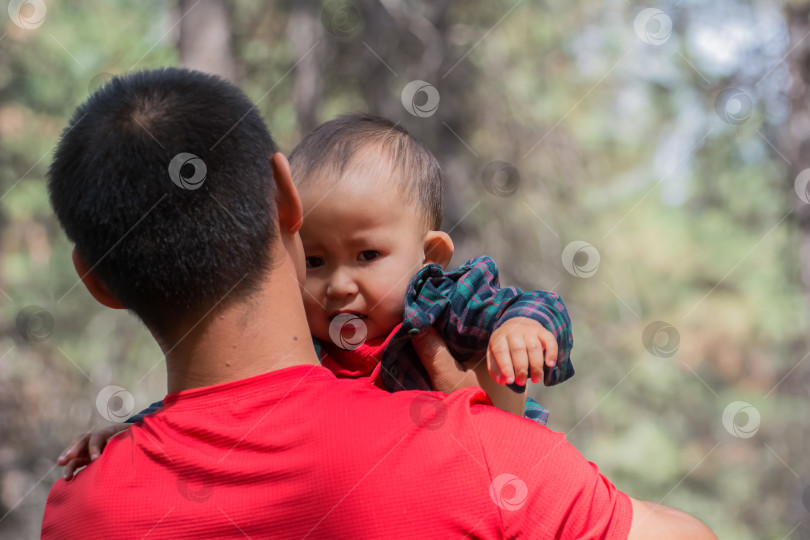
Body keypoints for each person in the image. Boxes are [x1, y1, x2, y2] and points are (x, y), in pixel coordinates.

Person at [41, 67, 717, 538]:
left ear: (94, 280)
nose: (341, 285)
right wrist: (499, 433)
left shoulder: (79, 508)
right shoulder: (478, 455)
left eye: (367, 256)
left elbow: (215, 414)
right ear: (288, 202)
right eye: (320, 260)